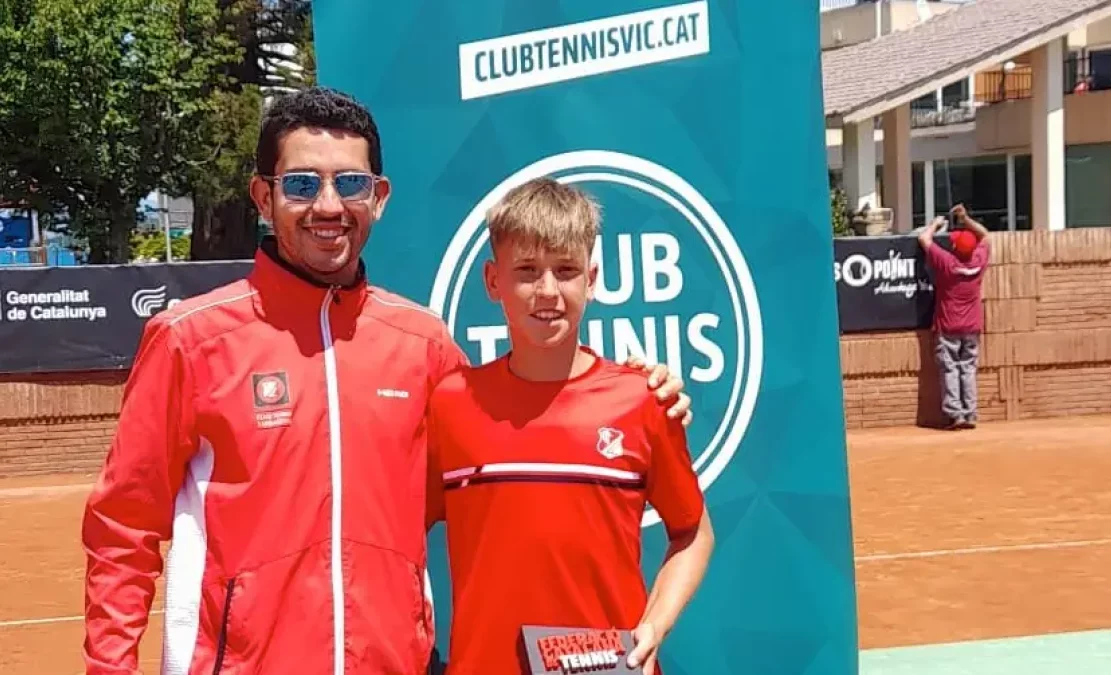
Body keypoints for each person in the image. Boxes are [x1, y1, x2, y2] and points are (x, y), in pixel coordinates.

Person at [80, 87, 691, 674]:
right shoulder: (190, 340)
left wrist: (640, 389)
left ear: (378, 198)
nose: (327, 206)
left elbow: (527, 417)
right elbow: (122, 529)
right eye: (300, 184)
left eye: (350, 183)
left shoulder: (423, 345)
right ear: (262, 198)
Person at [425, 178, 716, 675]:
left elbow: (693, 533)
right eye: (526, 271)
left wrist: (654, 627)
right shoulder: (452, 404)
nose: (548, 291)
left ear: (592, 278)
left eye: (565, 271)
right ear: (493, 282)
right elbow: (398, 538)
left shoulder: (642, 400)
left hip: (606, 669)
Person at [918, 204, 990, 430]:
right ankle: (969, 414)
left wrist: (935, 224)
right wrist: (965, 218)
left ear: (955, 248)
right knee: (968, 368)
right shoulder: (978, 261)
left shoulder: (947, 263)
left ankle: (955, 414)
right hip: (972, 326)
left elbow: (924, 239)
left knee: (950, 368)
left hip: (947, 325)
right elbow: (986, 235)